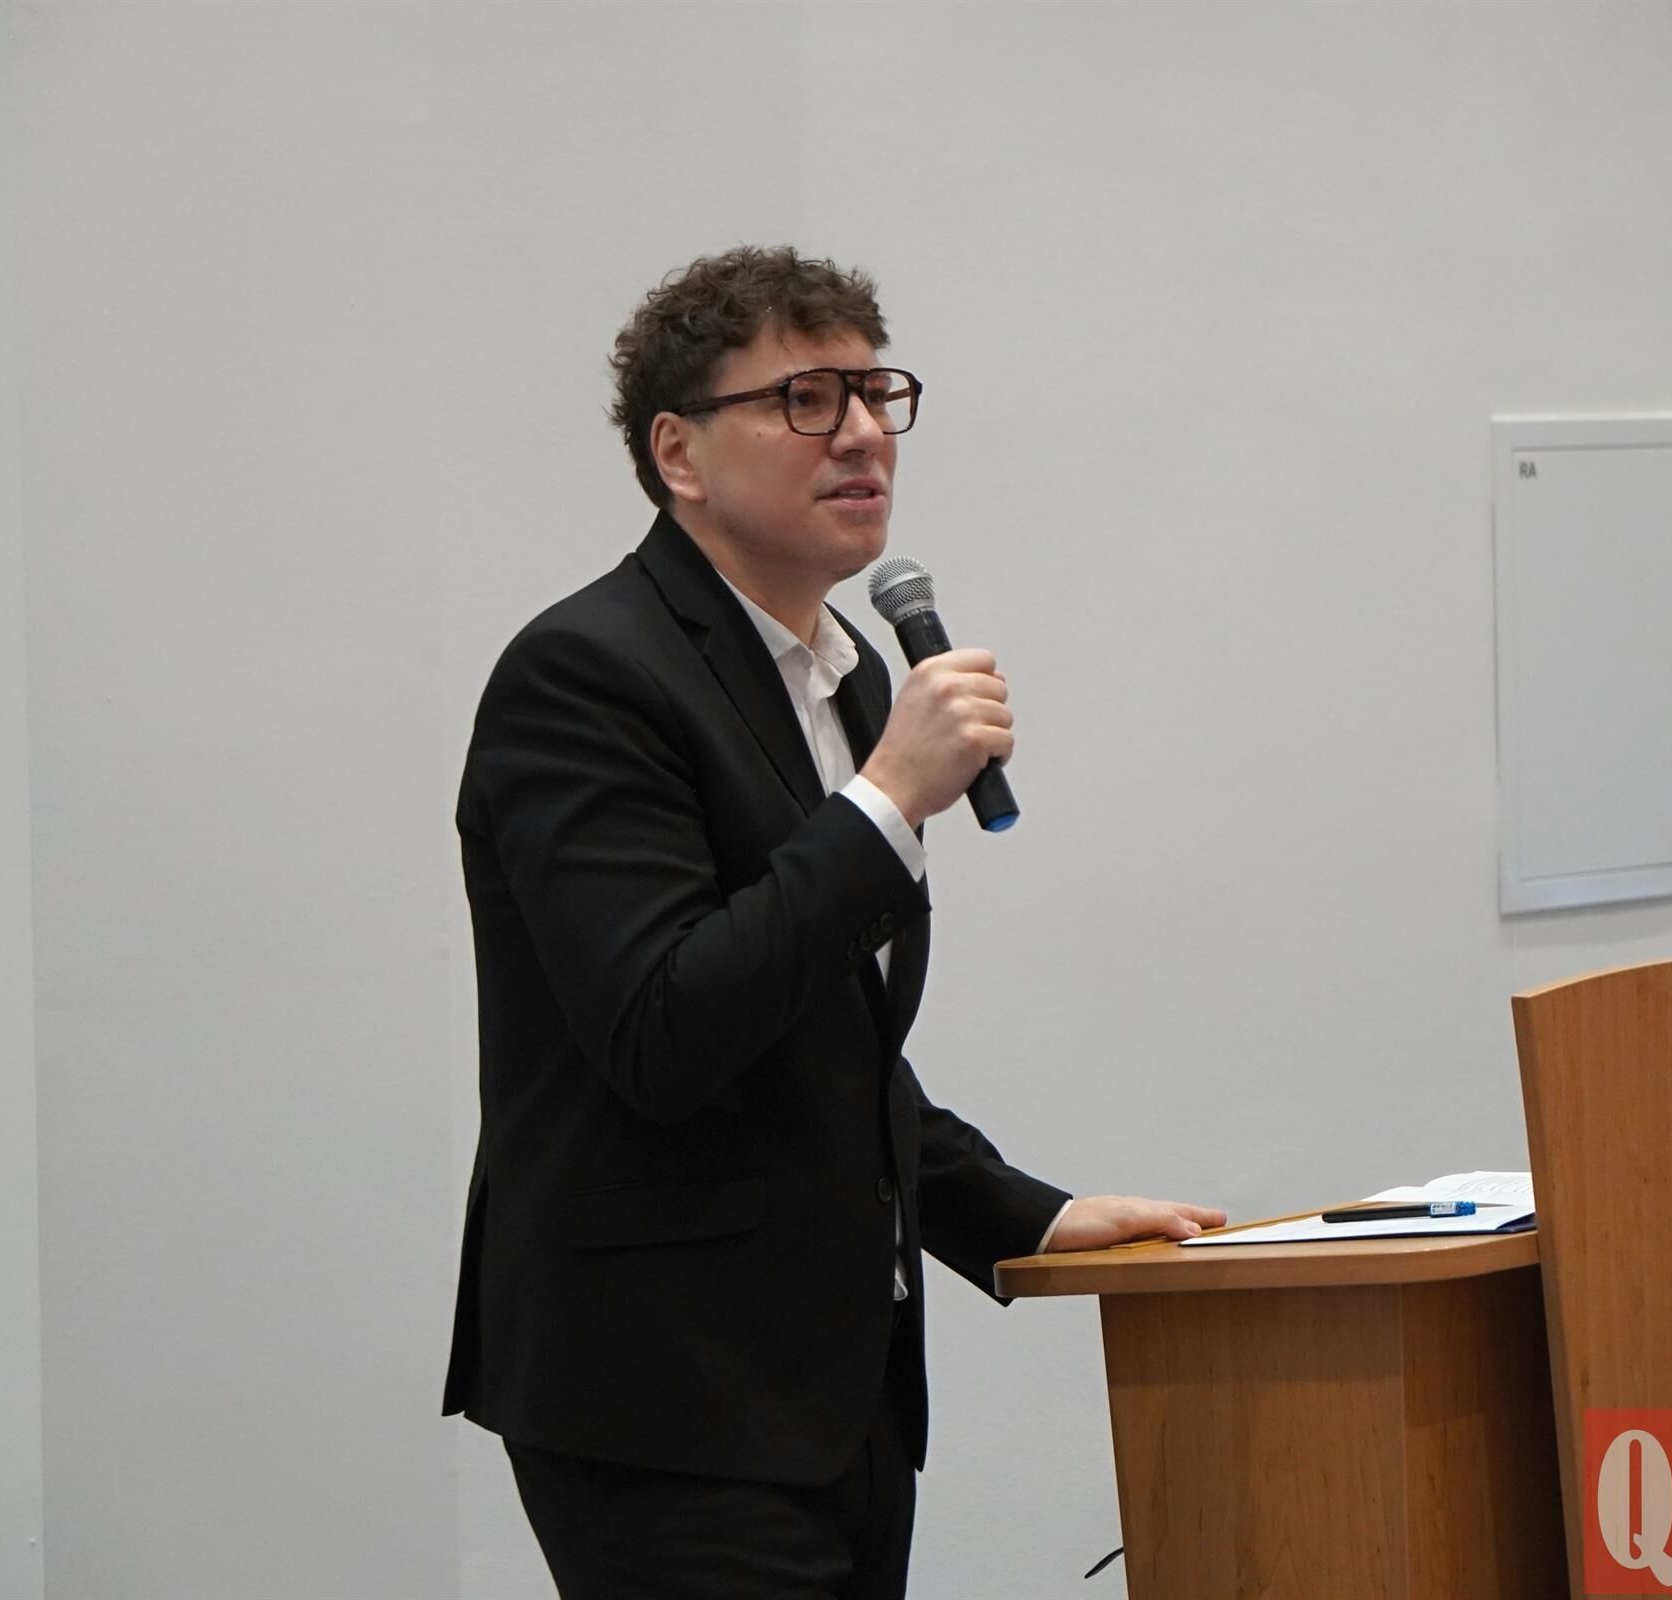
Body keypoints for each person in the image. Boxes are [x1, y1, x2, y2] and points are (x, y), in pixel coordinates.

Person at [442, 245, 1225, 1599]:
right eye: (806, 397)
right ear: (679, 452)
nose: (863, 431)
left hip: (835, 1386)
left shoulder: (847, 678)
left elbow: (823, 1043)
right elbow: (663, 1028)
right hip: (659, 1394)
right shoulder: (584, 675)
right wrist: (885, 803)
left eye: (877, 392)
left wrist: (1023, 1216)